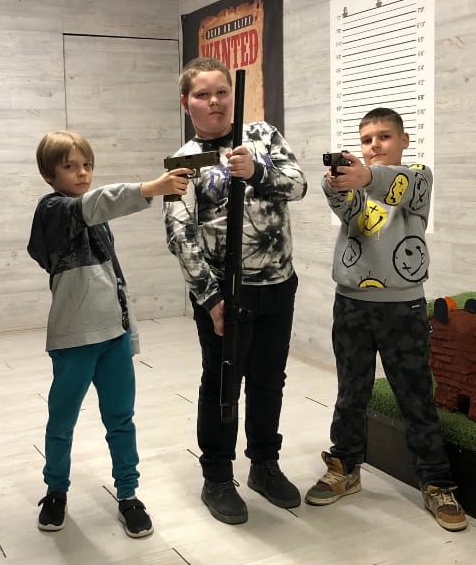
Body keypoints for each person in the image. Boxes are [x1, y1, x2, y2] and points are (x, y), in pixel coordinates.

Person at [305, 107, 467, 532]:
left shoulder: (418, 179)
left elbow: (398, 186)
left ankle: (436, 482)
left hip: (403, 307)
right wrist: (334, 183)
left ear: (404, 140)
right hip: (351, 304)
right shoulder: (356, 189)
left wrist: (365, 176)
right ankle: (345, 466)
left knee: (416, 397)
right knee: (350, 393)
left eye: (383, 136)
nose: (374, 145)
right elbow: (341, 203)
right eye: (366, 140)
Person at [163, 57, 307, 524]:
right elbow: (179, 233)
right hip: (225, 297)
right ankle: (218, 476)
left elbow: (299, 185)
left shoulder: (262, 135)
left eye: (222, 92)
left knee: (269, 380)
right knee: (222, 381)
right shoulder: (183, 161)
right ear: (186, 103)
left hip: (278, 285)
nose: (215, 102)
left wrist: (258, 171)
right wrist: (211, 300)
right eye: (203, 95)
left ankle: (264, 464)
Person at [27, 130, 191, 537]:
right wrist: (151, 188)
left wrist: (128, 334)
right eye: (70, 167)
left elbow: (114, 279)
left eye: (87, 165)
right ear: (49, 175)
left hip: (113, 339)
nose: (82, 173)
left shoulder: (96, 221)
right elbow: (98, 202)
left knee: (121, 419)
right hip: (73, 340)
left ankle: (128, 494)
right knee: (61, 421)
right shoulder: (53, 210)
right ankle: (56, 491)